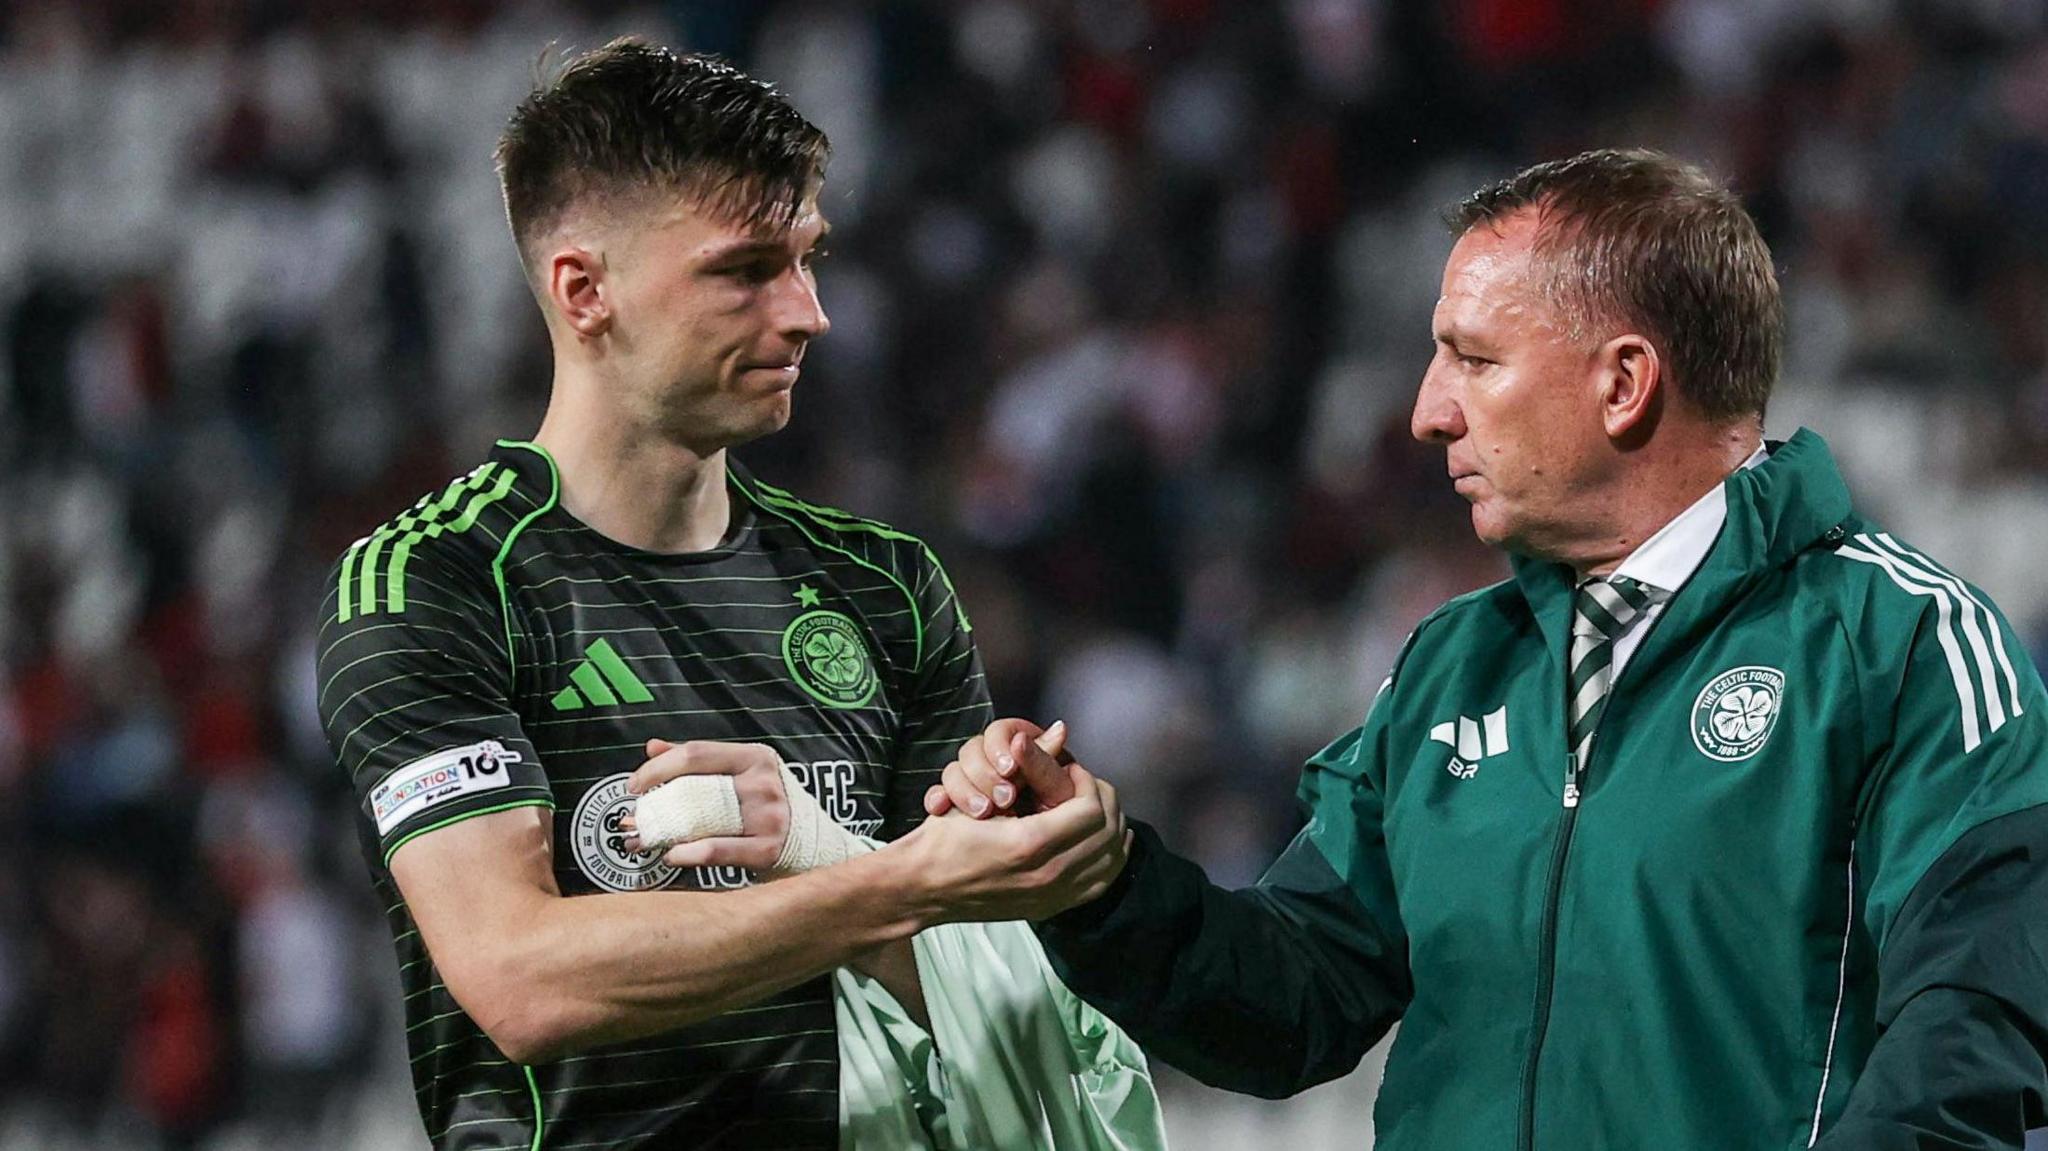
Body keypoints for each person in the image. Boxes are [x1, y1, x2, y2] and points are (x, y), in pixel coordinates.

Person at [912, 150, 2048, 1149]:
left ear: (1622, 382)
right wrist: (1092, 874)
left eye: (1472, 358)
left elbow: (1973, 1025)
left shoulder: (1897, 640)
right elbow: (1290, 1000)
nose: (1425, 411)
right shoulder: (1454, 665)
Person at [315, 39, 1140, 1150]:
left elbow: (954, 989)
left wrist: (1030, 863)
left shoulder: (884, 586)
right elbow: (518, 979)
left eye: (808, 259)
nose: (807, 313)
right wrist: (885, 878)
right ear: (583, 289)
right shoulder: (437, 581)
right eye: (745, 270)